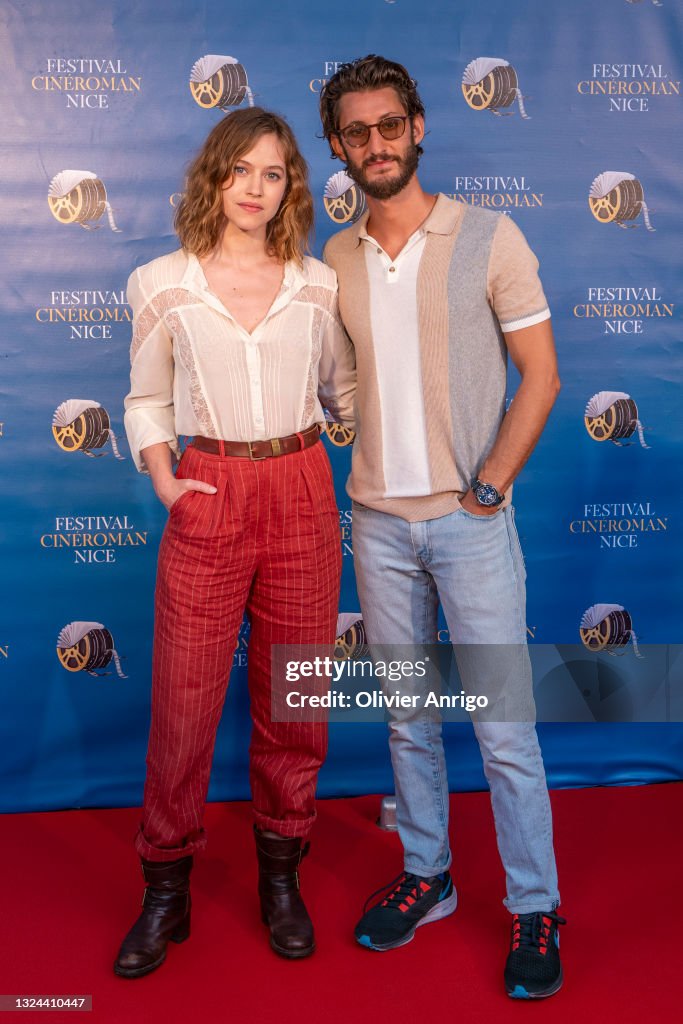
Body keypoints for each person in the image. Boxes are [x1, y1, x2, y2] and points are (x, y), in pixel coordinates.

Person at [319, 56, 565, 999]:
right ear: (338, 147)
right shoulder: (335, 256)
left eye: (390, 126)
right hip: (375, 526)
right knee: (408, 721)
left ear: (418, 127)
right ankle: (429, 876)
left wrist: (491, 486)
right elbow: (340, 384)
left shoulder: (491, 237)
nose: (375, 144)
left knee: (504, 728)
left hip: (469, 526)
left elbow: (539, 375)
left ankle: (534, 904)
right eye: (356, 132)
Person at [114, 107, 355, 978]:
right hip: (208, 489)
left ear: (290, 186)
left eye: (275, 173)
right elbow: (145, 397)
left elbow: (343, 393)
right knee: (183, 706)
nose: (257, 189)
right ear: (214, 175)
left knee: (295, 697)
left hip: (298, 487)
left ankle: (279, 877)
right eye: (242, 170)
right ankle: (164, 891)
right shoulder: (160, 282)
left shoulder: (318, 283)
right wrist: (165, 479)